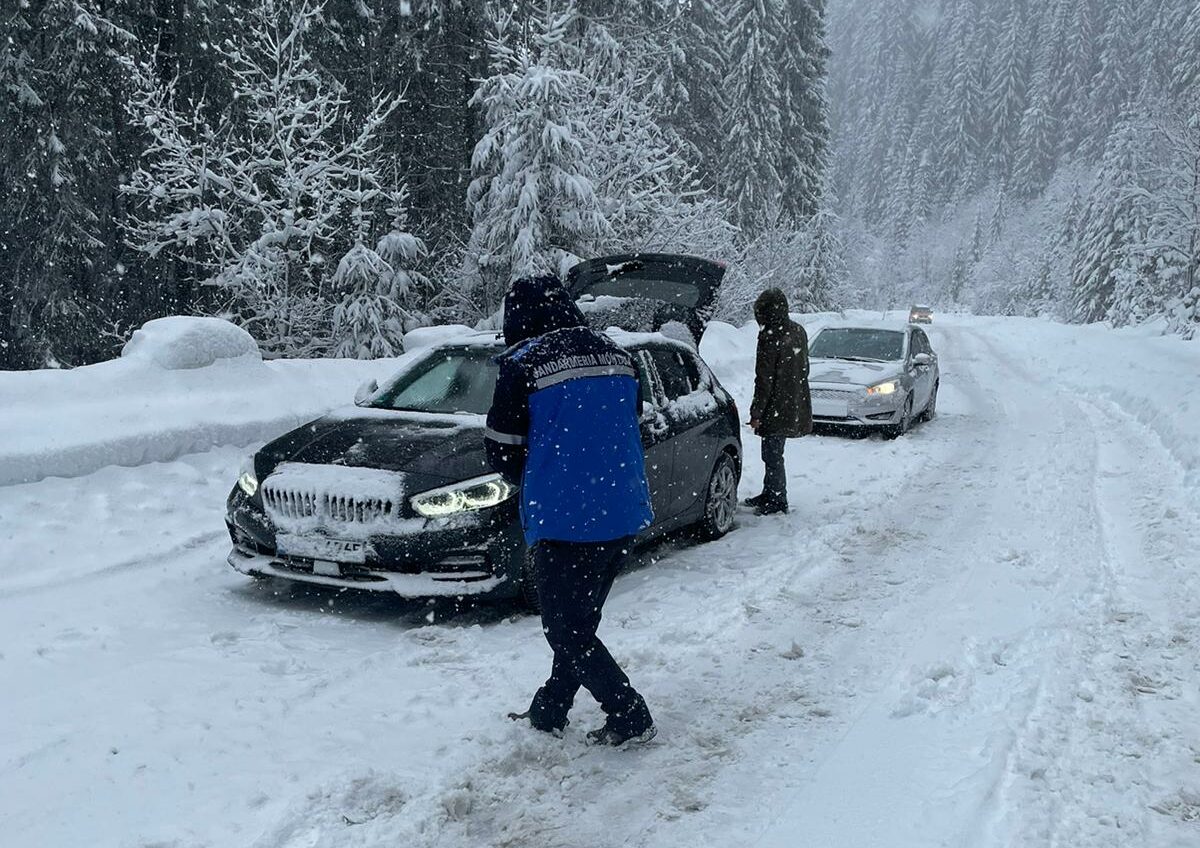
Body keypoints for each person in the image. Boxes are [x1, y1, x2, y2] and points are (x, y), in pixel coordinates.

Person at [484, 274, 657, 747]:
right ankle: (551, 709)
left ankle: (629, 714)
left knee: (566, 631)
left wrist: (542, 471)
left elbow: (501, 449)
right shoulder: (619, 356)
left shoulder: (522, 364)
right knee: (579, 624)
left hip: (564, 516)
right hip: (621, 509)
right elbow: (628, 421)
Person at [746, 288, 812, 516]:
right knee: (774, 450)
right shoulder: (797, 331)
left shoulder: (769, 336)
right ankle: (770, 492)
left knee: (772, 453)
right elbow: (804, 367)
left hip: (776, 404)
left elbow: (763, 379)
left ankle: (776, 499)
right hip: (794, 401)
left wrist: (757, 412)